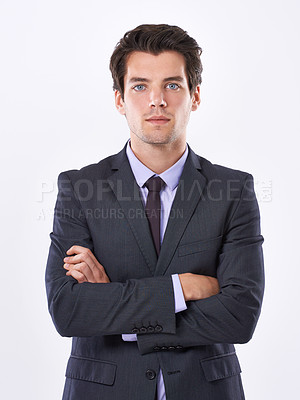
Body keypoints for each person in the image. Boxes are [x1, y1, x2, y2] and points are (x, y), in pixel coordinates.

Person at [45, 24, 264, 400]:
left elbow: (239, 316)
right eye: (140, 86)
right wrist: (185, 288)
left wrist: (113, 301)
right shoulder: (81, 188)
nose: (157, 100)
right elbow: (68, 310)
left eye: (173, 85)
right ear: (119, 99)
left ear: (194, 96)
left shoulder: (233, 190)